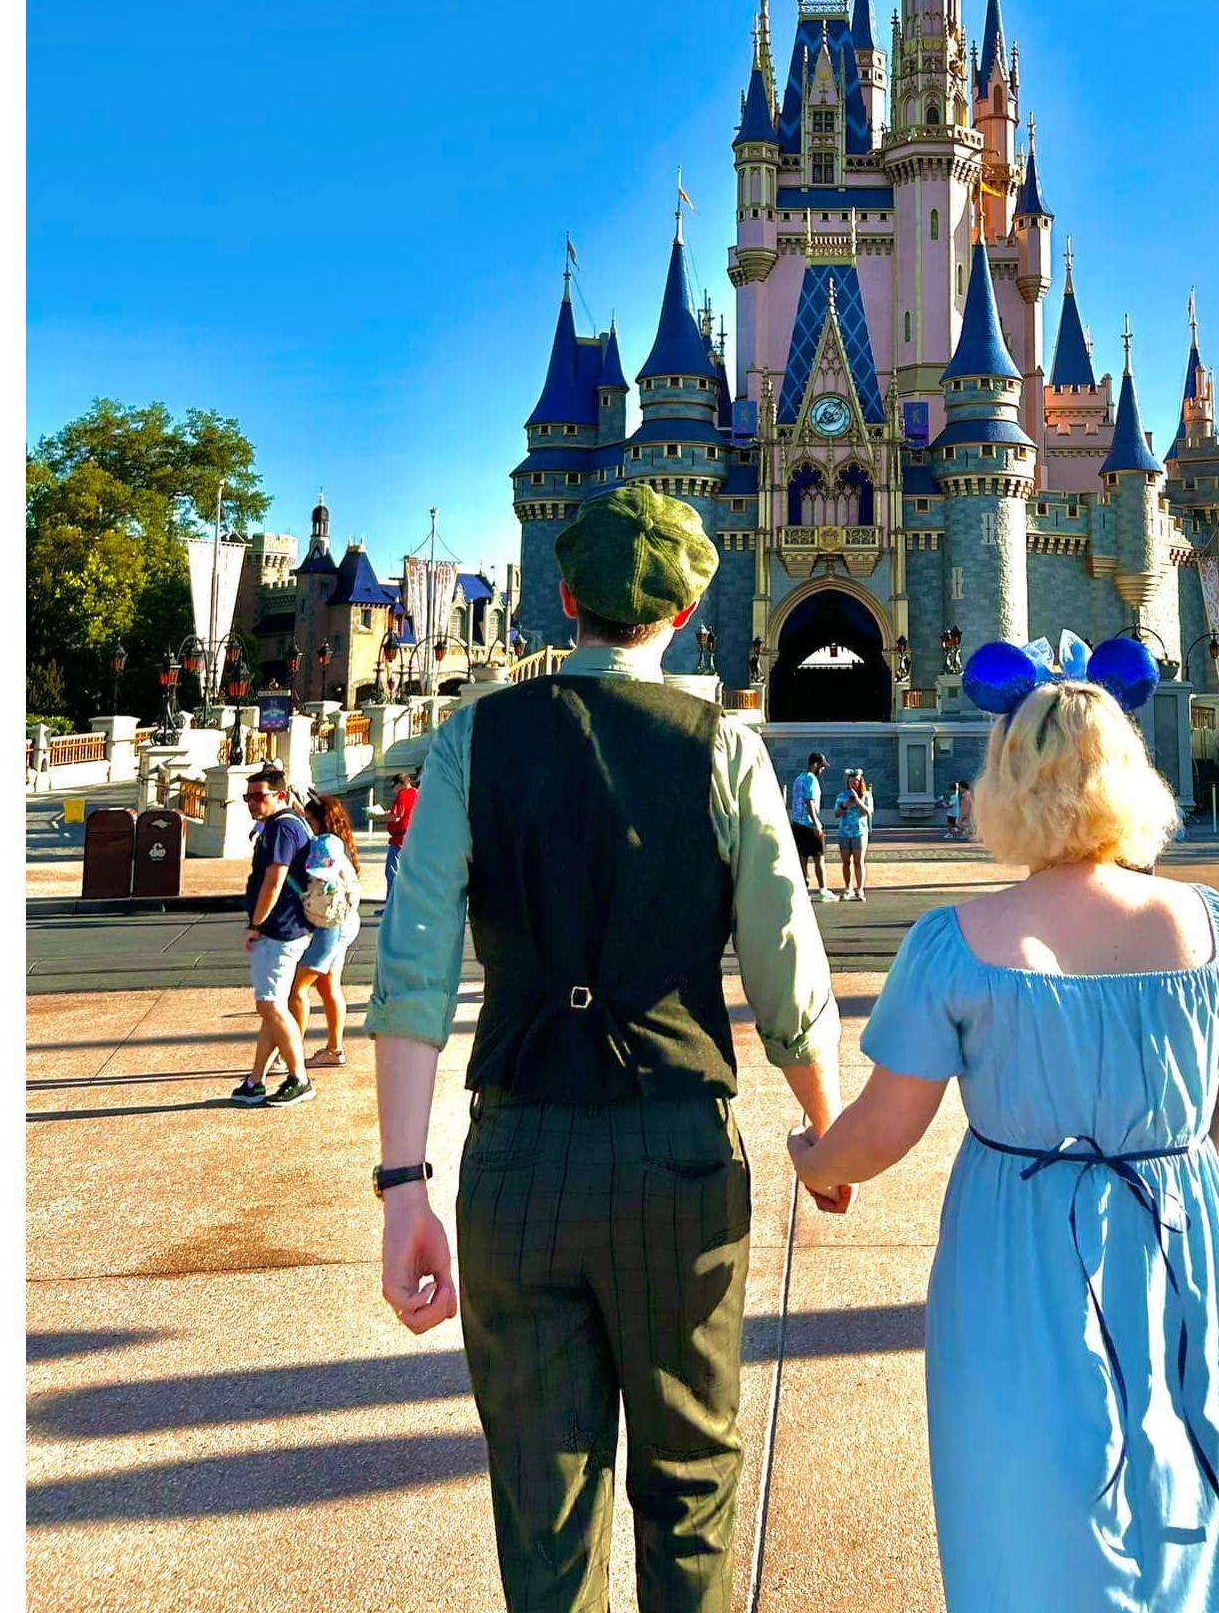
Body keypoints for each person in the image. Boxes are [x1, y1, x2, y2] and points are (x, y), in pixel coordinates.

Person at [367, 483, 847, 1613]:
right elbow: (786, 969)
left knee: (542, 1495)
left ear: (564, 596)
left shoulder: (474, 737)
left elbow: (415, 969)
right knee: (687, 1479)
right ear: (687, 608)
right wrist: (827, 1125)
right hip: (675, 1157)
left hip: (517, 1159)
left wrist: (402, 1185)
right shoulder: (722, 746)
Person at [788, 676, 1219, 1611]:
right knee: (1202, 1487)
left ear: (1005, 786)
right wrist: (1163, 1149)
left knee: (1027, 1499)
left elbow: (882, 1134)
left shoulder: (957, 943)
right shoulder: (1213, 926)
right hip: (1184, 1237)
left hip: (1019, 1249)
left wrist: (815, 1162)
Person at [230, 765, 317, 1107]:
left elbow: (273, 880)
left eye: (259, 796)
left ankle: (300, 1078)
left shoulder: (281, 828)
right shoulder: (290, 825)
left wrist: (256, 923)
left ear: (279, 795)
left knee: (268, 1004)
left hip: (280, 929)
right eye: (248, 797)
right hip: (291, 926)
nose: (252, 802)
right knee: (273, 1006)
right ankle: (255, 1081)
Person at [291, 791, 363, 1069]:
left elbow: (318, 874)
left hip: (330, 923)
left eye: (309, 819)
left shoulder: (324, 845)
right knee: (329, 985)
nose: (306, 823)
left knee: (297, 989)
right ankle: (334, 1049)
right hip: (346, 920)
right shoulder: (339, 844)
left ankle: (290, 1051)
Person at [787, 750, 831, 900]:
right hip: (809, 823)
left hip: (797, 822)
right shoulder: (811, 779)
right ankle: (822, 889)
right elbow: (809, 801)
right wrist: (816, 823)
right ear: (815, 764)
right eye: (822, 766)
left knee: (802, 856)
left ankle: (803, 885)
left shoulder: (799, 778)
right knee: (819, 856)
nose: (823, 769)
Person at [835, 768, 873, 901]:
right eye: (851, 781)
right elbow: (836, 813)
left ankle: (860, 889)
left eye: (856, 781)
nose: (853, 784)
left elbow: (867, 812)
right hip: (844, 833)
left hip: (859, 832)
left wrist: (857, 801)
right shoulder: (841, 796)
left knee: (858, 861)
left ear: (860, 782)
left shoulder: (866, 795)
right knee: (846, 862)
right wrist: (845, 805)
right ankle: (848, 888)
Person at [384, 770, 419, 892]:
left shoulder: (402, 795)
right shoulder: (417, 793)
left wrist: (378, 817)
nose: (394, 790)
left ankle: (391, 906)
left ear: (399, 784)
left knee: (392, 872)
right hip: (413, 838)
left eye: (393, 787)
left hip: (399, 840)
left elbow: (396, 816)